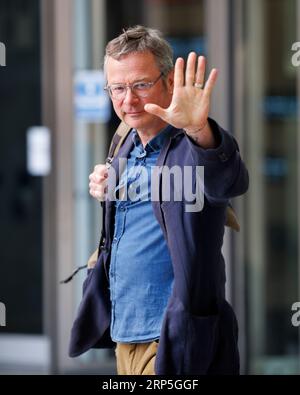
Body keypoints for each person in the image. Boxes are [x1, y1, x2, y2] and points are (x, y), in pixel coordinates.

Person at [69, 25, 249, 375]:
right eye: (117, 88)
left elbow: (230, 180)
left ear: (169, 82)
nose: (127, 100)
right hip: (124, 333)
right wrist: (106, 190)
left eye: (140, 85)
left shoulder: (192, 146)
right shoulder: (124, 144)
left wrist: (198, 129)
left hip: (173, 337)